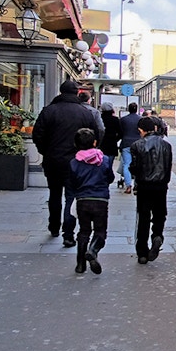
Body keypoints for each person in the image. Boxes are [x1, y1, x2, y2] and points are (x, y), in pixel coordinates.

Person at [32, 80, 101, 246]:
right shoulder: (85, 113)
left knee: (54, 194)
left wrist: (46, 151)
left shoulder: (49, 111)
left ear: (60, 92)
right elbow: (96, 135)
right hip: (77, 162)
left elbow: (37, 135)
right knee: (71, 196)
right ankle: (68, 234)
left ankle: (54, 226)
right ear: (77, 93)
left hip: (53, 161)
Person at [65, 128, 113, 274]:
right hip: (100, 200)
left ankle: (80, 265)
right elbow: (110, 178)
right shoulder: (104, 160)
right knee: (100, 231)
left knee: (84, 231)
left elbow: (71, 183)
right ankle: (93, 250)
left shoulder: (74, 163)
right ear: (94, 142)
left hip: (82, 200)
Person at [129, 116, 172, 264]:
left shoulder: (136, 145)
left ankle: (142, 252)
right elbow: (168, 167)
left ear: (141, 130)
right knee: (160, 214)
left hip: (144, 187)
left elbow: (134, 168)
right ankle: (157, 236)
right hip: (161, 186)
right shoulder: (167, 146)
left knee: (144, 218)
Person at [118, 103, 142, 194]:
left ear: (128, 109)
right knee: (138, 165)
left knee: (127, 165)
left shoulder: (123, 120)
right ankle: (137, 185)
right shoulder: (141, 119)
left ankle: (128, 186)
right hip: (138, 144)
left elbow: (120, 132)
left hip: (126, 143)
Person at [100, 103, 122, 169]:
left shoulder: (100, 118)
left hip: (101, 144)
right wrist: (115, 139)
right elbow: (121, 133)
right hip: (111, 145)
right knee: (109, 166)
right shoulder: (115, 120)